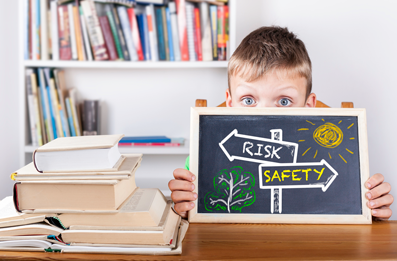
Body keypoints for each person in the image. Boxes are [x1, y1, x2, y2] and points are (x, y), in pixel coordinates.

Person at [168, 26, 394, 220]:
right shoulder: (206, 157)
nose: (265, 114)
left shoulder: (332, 156)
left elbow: (346, 207)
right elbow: (191, 216)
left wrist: (370, 206)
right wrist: (185, 207)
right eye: (248, 100)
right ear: (229, 102)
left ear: (308, 104)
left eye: (284, 101)